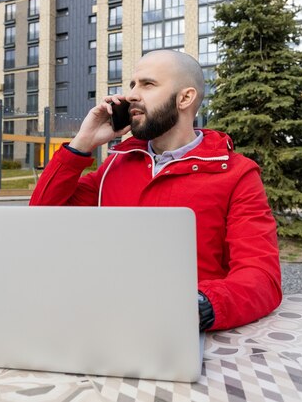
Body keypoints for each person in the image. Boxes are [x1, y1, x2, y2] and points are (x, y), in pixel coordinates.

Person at [30, 50, 282, 331]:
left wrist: (195, 308)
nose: (132, 96)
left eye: (147, 85)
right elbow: (41, 220)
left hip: (185, 331)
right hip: (105, 322)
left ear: (185, 98)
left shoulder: (236, 173)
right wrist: (82, 143)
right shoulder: (115, 166)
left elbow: (261, 276)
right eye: (132, 85)